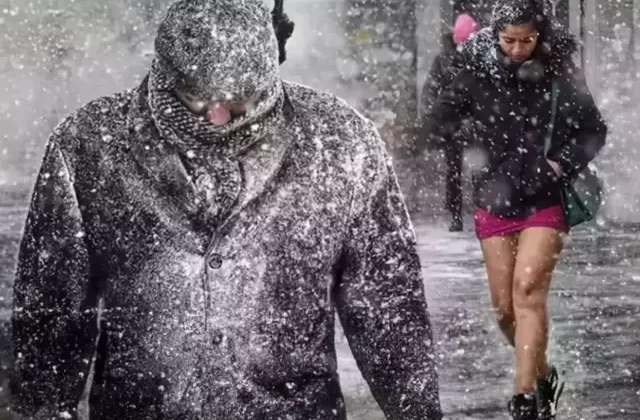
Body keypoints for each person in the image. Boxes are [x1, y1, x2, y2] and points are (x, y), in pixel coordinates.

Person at [10, 0, 443, 419]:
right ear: (164, 73)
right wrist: (46, 408)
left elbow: (387, 305)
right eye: (197, 100)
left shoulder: (341, 143)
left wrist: (417, 411)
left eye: (239, 103)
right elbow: (51, 317)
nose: (218, 118)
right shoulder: (88, 147)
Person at [422, 0, 607, 419]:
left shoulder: (559, 71)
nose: (519, 49)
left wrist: (560, 161)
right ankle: (543, 374)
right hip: (494, 198)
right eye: (510, 41)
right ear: (496, 36)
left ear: (539, 36)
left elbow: (593, 129)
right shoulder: (476, 72)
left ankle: (524, 400)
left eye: (527, 40)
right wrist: (475, 135)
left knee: (528, 292)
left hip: (545, 198)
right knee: (505, 308)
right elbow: (435, 123)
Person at [420, 13, 479, 232]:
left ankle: (479, 211)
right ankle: (456, 213)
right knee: (454, 171)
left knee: (477, 170)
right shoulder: (443, 60)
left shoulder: (480, 59)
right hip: (452, 125)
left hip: (474, 123)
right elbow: (431, 91)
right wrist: (434, 118)